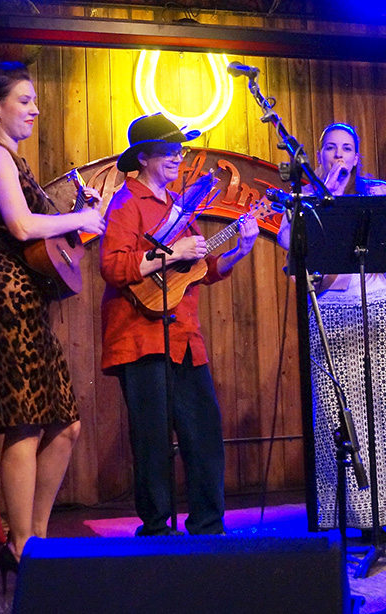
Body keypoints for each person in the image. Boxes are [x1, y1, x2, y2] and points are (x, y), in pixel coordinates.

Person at [0, 61, 105, 588]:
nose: (35, 110)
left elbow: (47, 242)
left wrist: (80, 213)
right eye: (25, 100)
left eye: (35, 101)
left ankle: (34, 539)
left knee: (65, 425)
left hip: (29, 300)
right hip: (6, 301)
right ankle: (20, 544)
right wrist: (80, 217)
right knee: (25, 424)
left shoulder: (13, 160)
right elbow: (20, 226)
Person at [99, 112, 259, 536]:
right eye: (168, 151)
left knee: (203, 432)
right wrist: (172, 252)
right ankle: (156, 530)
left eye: (179, 150)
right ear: (144, 157)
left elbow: (199, 270)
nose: (177, 157)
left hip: (185, 336)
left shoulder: (177, 207)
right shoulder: (126, 203)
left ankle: (208, 526)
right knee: (152, 439)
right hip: (140, 336)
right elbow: (113, 267)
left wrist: (240, 249)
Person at [276, 123, 386, 531]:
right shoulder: (305, 200)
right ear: (320, 155)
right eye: (330, 148)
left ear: (357, 157)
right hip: (331, 313)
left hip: (383, 310)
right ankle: (341, 514)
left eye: (346, 148)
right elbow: (289, 244)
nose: (339, 154)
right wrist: (327, 194)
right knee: (338, 415)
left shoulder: (377, 192)